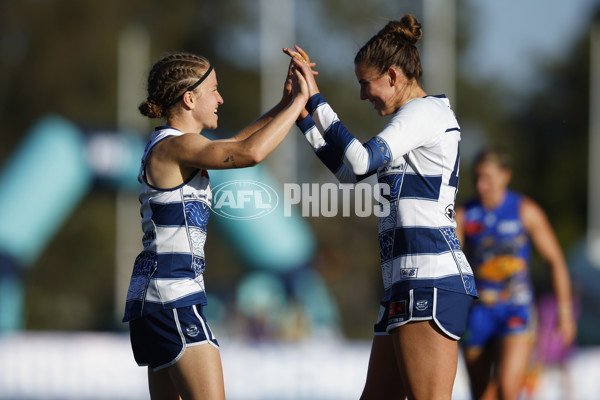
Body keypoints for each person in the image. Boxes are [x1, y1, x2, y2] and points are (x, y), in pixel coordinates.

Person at [285, 13, 478, 400]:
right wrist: (303, 117)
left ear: (392, 75)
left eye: (365, 84)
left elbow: (359, 160)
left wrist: (318, 99)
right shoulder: (411, 120)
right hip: (405, 284)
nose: (362, 95)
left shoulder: (423, 114)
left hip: (430, 278)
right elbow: (348, 172)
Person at [122, 52, 310, 400]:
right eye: (214, 89)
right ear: (189, 98)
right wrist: (300, 100)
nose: (220, 98)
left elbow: (238, 144)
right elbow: (250, 154)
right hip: (173, 295)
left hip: (155, 298)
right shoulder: (179, 145)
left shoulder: (173, 145)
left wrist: (283, 104)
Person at [454, 147, 577, 400]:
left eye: (487, 178)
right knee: (482, 394)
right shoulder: (464, 215)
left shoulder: (525, 210)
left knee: (508, 389)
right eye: (476, 178)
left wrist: (564, 312)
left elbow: (554, 260)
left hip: (516, 309)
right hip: (477, 312)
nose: (481, 185)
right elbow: (448, 263)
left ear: (505, 176)